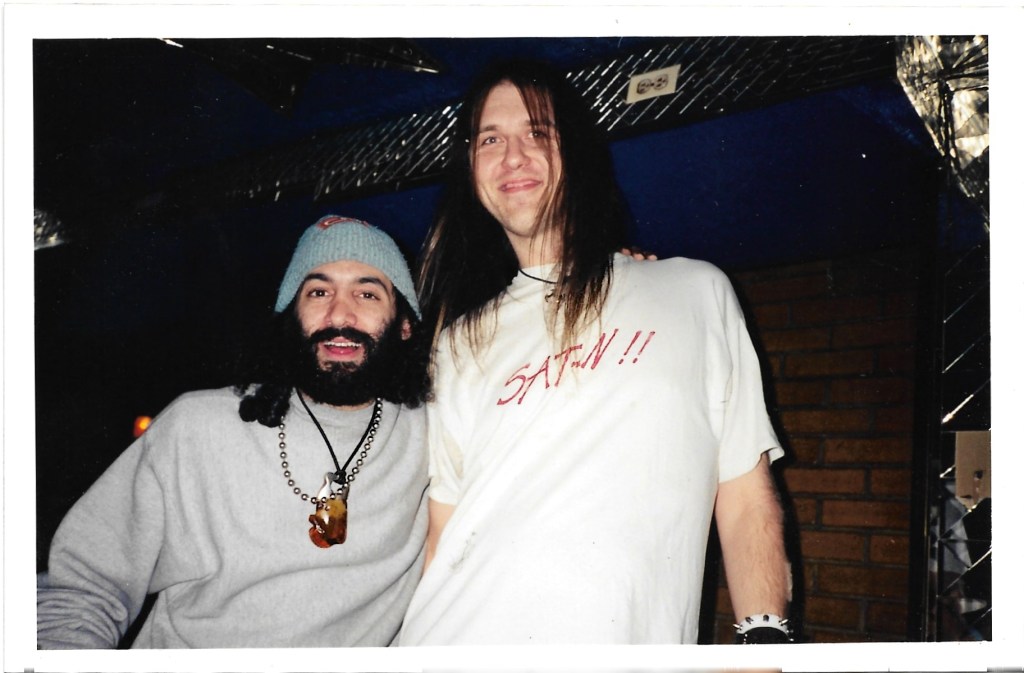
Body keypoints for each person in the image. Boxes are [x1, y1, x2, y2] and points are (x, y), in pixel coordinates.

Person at [399, 60, 793, 645]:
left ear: (575, 153)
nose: (513, 156)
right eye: (490, 139)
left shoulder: (693, 290)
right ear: (472, 170)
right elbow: (444, 531)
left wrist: (764, 641)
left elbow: (745, 494)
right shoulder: (459, 341)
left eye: (537, 132)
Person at [37, 215, 431, 648]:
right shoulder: (197, 426)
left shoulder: (436, 435)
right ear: (290, 315)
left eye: (367, 294)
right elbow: (81, 592)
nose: (339, 314)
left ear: (405, 324)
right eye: (318, 292)